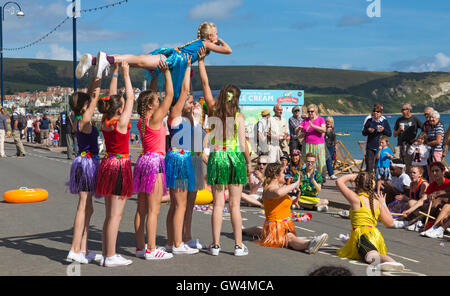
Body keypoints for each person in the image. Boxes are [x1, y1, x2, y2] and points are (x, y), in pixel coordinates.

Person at [76, 22, 232, 104]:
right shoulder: (205, 42)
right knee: (140, 61)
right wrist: (219, 40)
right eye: (216, 34)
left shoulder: (199, 42)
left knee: (136, 61)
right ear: (210, 35)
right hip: (175, 59)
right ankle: (107, 59)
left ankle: (96, 60)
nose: (218, 36)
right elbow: (228, 50)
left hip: (174, 55)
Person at [198, 47, 252, 256]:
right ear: (236, 99)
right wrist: (248, 164)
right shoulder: (239, 117)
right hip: (235, 158)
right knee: (236, 206)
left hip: (217, 157)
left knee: (218, 204)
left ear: (221, 96)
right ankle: (238, 245)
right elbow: (243, 144)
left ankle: (216, 244)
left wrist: (201, 62)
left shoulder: (213, 110)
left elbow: (204, 84)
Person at [133, 59, 174, 260]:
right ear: (150, 106)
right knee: (154, 209)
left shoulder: (142, 120)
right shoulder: (155, 119)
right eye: (156, 102)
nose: (159, 103)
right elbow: (171, 96)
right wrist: (166, 72)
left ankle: (141, 247)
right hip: (154, 162)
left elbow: (152, 95)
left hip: (142, 162)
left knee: (141, 208)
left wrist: (154, 78)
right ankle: (151, 248)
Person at [95, 60, 135, 267]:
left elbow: (114, 98)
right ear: (119, 111)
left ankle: (107, 253)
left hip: (108, 164)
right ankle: (110, 256)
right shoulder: (120, 123)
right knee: (115, 216)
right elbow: (130, 98)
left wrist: (116, 72)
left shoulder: (105, 121)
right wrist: (126, 73)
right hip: (119, 167)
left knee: (109, 215)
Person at [242, 163, 329, 254]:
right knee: (289, 238)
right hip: (276, 226)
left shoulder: (279, 187)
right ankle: (309, 244)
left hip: (285, 224)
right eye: (283, 173)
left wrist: (295, 199)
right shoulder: (269, 189)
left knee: (260, 230)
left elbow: (282, 201)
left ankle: (243, 230)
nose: (286, 175)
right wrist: (295, 184)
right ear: (276, 176)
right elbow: (278, 193)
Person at [164, 55, 202, 255]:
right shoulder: (175, 115)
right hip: (179, 159)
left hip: (184, 157)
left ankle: (172, 241)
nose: (192, 102)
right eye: (189, 100)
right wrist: (188, 66)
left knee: (177, 205)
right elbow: (185, 90)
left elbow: (197, 143)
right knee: (180, 205)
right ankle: (178, 244)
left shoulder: (188, 118)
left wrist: (197, 120)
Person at [66, 68, 103, 264]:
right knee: (83, 207)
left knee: (88, 208)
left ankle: (83, 248)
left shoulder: (76, 118)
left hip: (83, 162)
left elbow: (89, 97)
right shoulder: (85, 121)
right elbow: (94, 98)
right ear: (85, 106)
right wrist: (99, 80)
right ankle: (74, 248)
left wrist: (94, 80)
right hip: (87, 163)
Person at [336, 173, 405, 272]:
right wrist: (383, 204)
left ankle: (392, 262)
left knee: (371, 256)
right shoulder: (376, 202)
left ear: (356, 184)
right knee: (368, 253)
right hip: (375, 236)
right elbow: (389, 223)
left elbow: (339, 181)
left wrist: (353, 175)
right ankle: (390, 262)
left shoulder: (356, 199)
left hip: (362, 234)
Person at [402, 162, 450, 231]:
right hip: (432, 208)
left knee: (437, 200)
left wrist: (438, 194)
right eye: (432, 171)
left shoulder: (448, 183)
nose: (434, 173)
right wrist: (409, 210)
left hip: (444, 208)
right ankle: (418, 222)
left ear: (443, 172)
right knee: (412, 202)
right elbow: (423, 199)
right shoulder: (432, 185)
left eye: (437, 171)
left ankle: (420, 222)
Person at [393, 104, 423, 173]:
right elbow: (394, 135)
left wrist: (417, 139)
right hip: (400, 144)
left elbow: (424, 129)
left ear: (408, 110)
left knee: (409, 164)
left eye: (403, 110)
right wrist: (399, 130)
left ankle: (409, 181)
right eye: (401, 110)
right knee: (396, 163)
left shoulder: (415, 119)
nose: (401, 111)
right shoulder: (399, 120)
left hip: (410, 145)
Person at [362, 104, 391, 173]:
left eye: (377, 111)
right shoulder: (369, 121)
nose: (375, 113)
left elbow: (389, 134)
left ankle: (378, 182)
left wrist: (383, 130)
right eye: (374, 111)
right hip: (370, 146)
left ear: (381, 113)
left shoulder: (384, 121)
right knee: (369, 167)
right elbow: (363, 133)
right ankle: (369, 182)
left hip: (380, 147)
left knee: (379, 166)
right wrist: (368, 130)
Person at [299, 104, 327, 176]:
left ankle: (320, 177)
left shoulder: (320, 119)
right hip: (307, 144)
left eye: (312, 111)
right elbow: (300, 129)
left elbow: (324, 129)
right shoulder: (306, 120)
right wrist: (298, 129)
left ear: (315, 111)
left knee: (319, 161)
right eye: (308, 111)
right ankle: (307, 176)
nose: (310, 113)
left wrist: (313, 126)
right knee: (307, 161)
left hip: (318, 144)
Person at [425, 110, 445, 182]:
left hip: (436, 152)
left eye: (433, 117)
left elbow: (438, 141)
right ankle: (432, 186)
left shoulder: (438, 126)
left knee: (436, 171)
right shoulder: (431, 127)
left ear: (437, 118)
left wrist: (427, 144)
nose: (431, 119)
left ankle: (439, 186)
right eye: (430, 117)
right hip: (430, 152)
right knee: (430, 172)